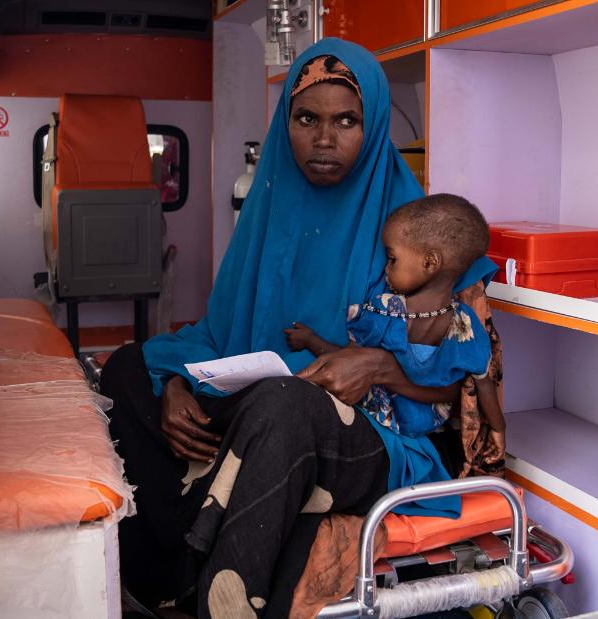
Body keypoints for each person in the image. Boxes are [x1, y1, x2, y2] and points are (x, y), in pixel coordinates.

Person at [100, 39, 503, 619]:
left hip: (374, 434)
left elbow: (474, 382)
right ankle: (161, 565)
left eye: (346, 121)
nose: (323, 138)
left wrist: (383, 366)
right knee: (129, 368)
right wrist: (175, 384)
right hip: (259, 400)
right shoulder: (270, 207)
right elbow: (222, 333)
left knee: (285, 407)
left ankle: (210, 594)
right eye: (307, 118)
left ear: (374, 126)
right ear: (285, 122)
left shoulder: (420, 234)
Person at [286, 194, 504, 519]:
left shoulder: (402, 315)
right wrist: (498, 430)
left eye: (392, 259)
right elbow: (481, 382)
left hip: (391, 433)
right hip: (402, 428)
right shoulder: (445, 321)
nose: (386, 269)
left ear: (430, 263)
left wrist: (311, 341)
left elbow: (350, 361)